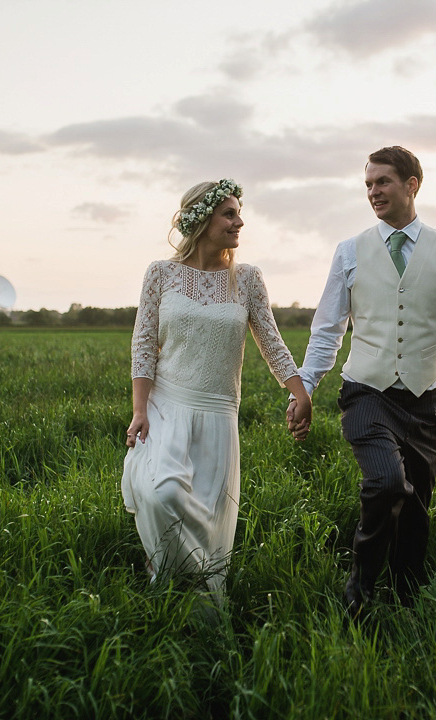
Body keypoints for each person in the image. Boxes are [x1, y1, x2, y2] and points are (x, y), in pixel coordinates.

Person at [287, 146, 436, 614]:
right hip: (366, 390)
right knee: (385, 483)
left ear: (411, 184)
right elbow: (327, 328)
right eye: (368, 184)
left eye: (382, 182)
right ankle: (359, 590)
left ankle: (407, 597)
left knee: (417, 504)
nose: (373, 192)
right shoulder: (349, 252)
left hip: (425, 400)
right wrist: (305, 388)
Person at [122, 178, 312, 594]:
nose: (239, 222)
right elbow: (143, 344)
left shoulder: (246, 279)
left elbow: (271, 342)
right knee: (164, 493)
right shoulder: (161, 274)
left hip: (218, 413)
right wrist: (139, 410)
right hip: (165, 405)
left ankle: (194, 592)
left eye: (238, 213)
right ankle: (163, 570)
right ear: (202, 219)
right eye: (229, 213)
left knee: (208, 516)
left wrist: (300, 393)